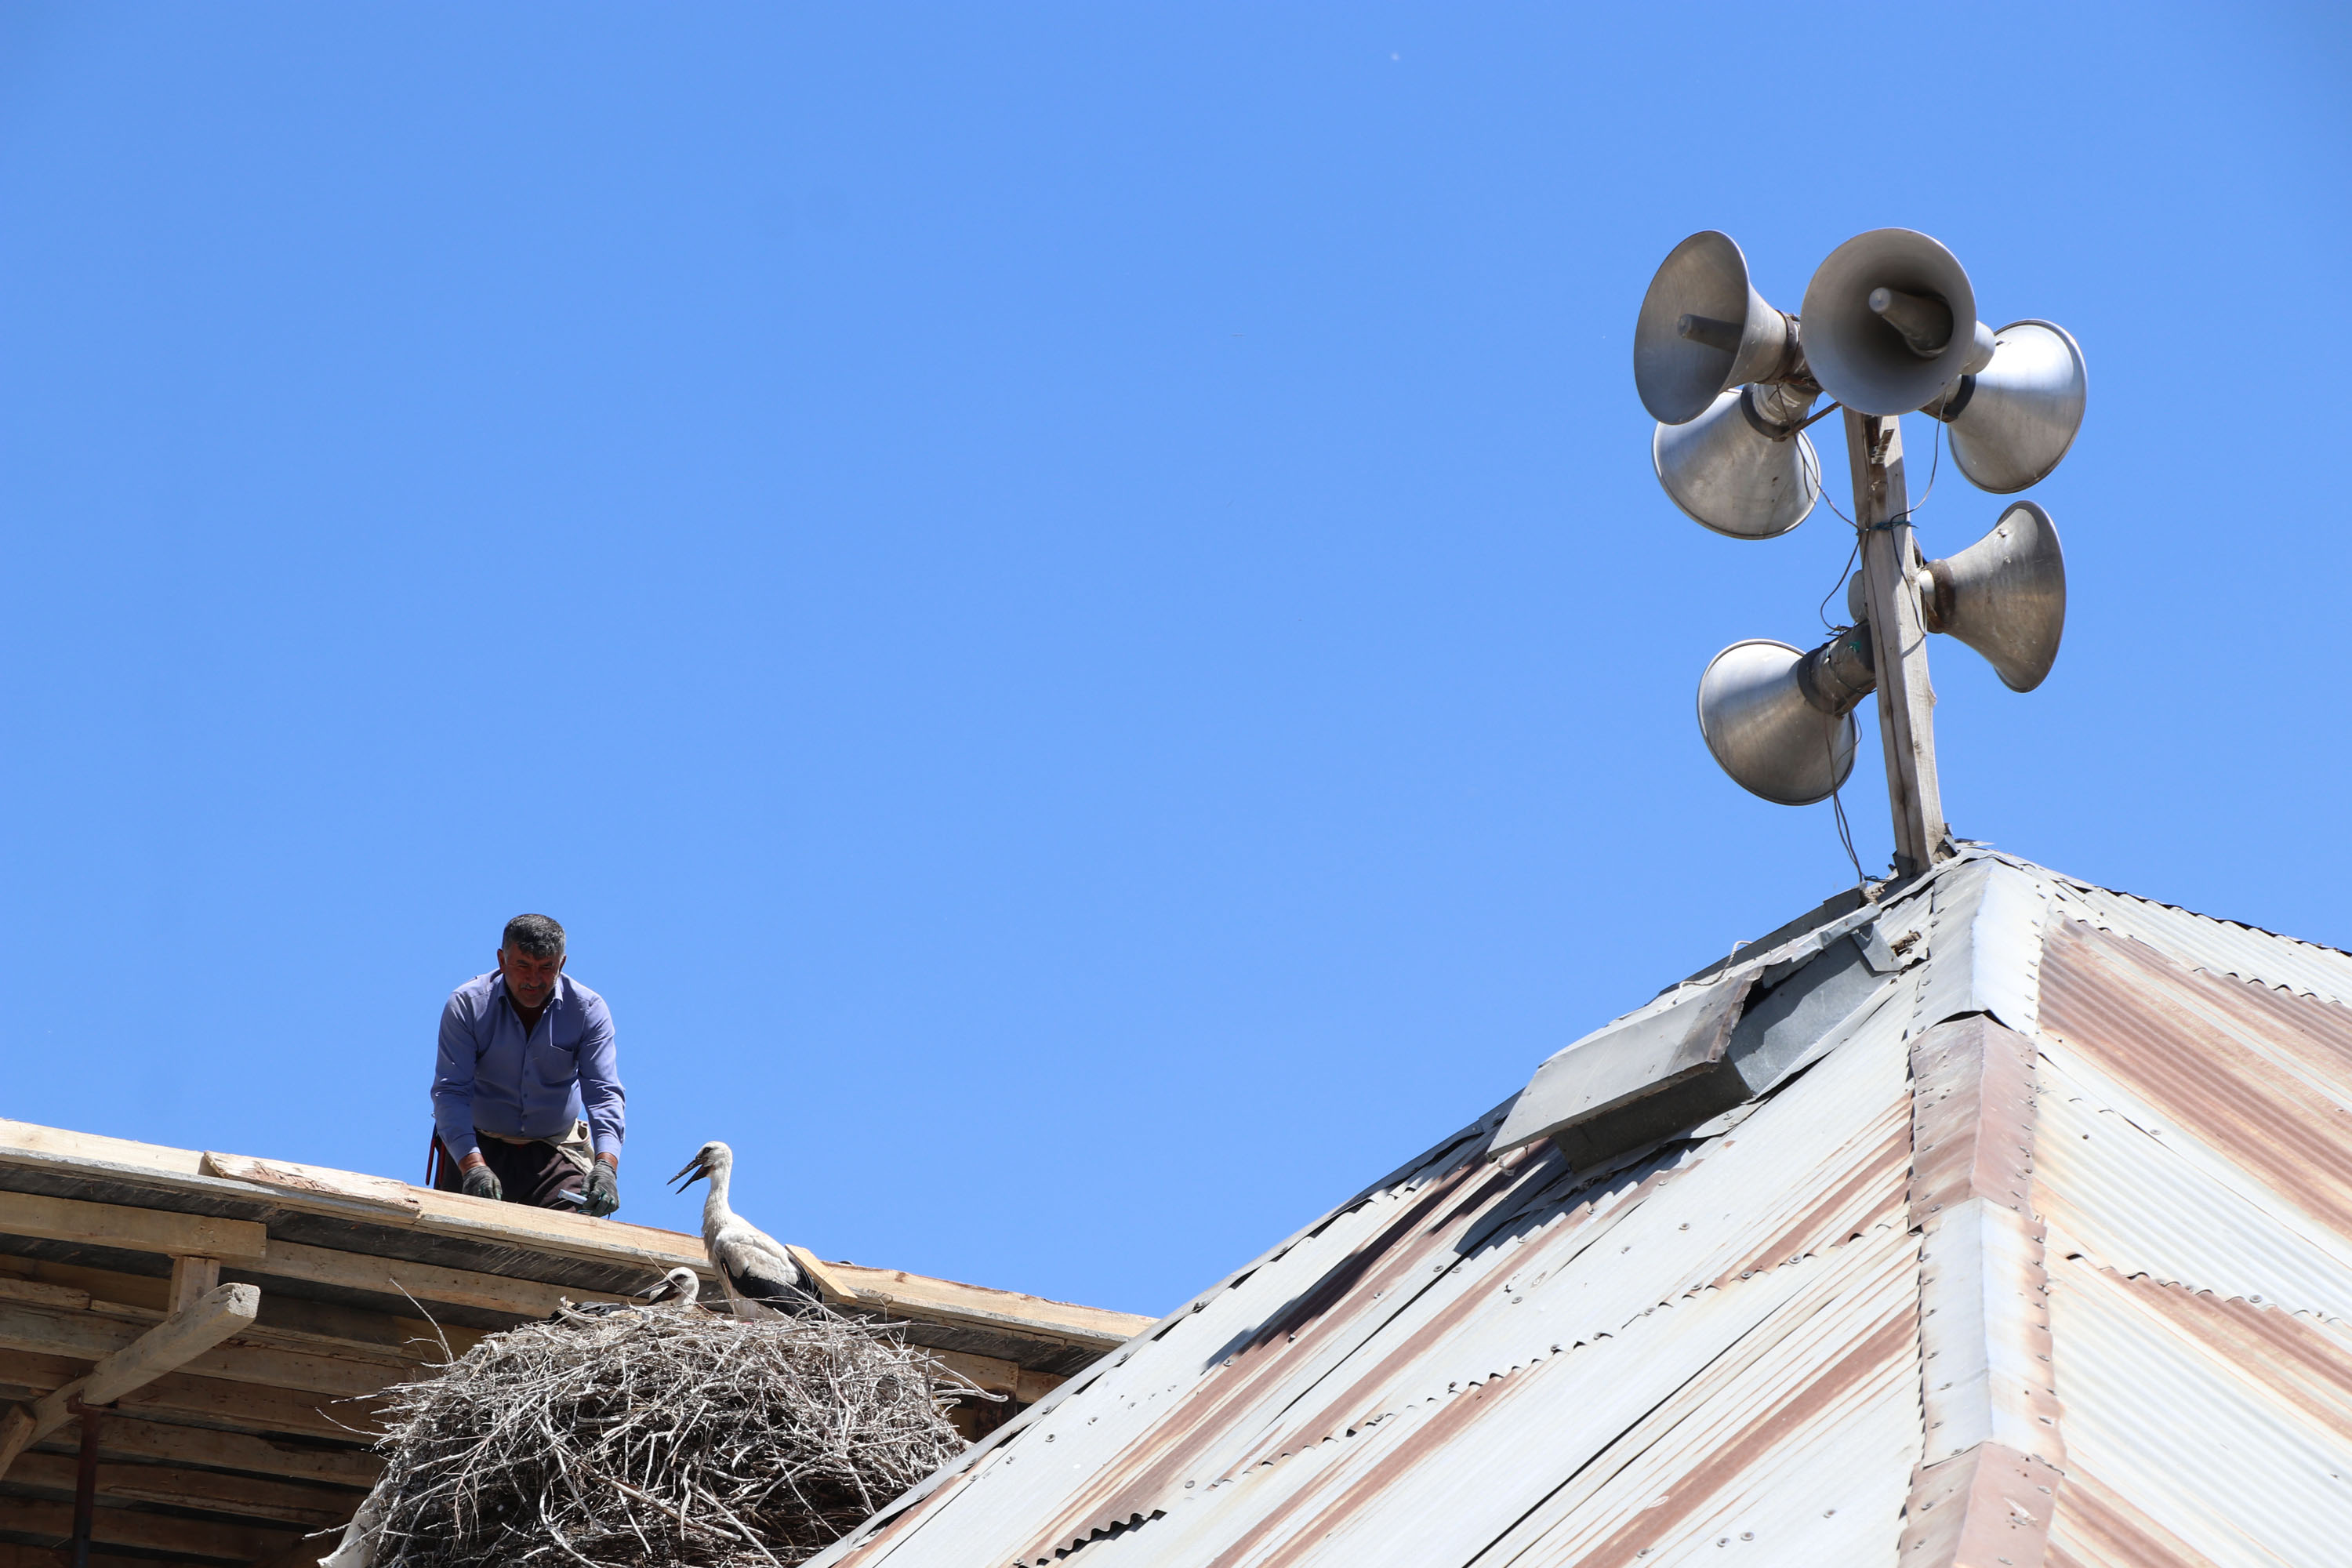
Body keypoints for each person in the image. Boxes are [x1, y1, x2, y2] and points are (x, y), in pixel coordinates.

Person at [430, 914, 625, 1216]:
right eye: (523, 966)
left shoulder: (588, 1010)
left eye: (546, 967)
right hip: (477, 1147)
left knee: (575, 1240)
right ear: (502, 960)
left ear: (561, 964)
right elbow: (450, 1092)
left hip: (555, 1151)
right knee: (460, 1246)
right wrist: (473, 1167)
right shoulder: (467, 1005)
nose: (534, 980)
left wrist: (606, 1166)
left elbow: (603, 1094)